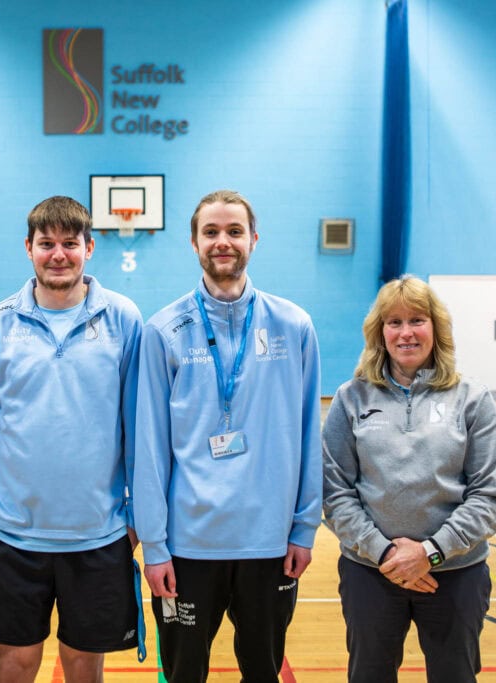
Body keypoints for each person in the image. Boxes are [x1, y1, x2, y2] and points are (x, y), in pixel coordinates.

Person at [133, 189, 323, 682]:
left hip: (270, 544)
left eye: (234, 231)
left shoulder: (294, 325)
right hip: (188, 548)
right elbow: (148, 448)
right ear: (193, 242)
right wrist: (154, 544)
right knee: (183, 673)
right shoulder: (164, 331)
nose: (223, 242)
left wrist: (304, 527)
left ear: (254, 240)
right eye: (211, 232)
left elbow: (308, 432)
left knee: (262, 672)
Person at [0, 195, 144, 683]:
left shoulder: (124, 318)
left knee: (84, 666)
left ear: (90, 247)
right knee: (15, 663)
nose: (58, 254)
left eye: (70, 243)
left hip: (100, 534)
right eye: (47, 244)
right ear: (29, 248)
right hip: (11, 534)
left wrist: (134, 520)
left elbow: (137, 428)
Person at [322, 274, 496, 683]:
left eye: (417, 320)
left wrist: (431, 552)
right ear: (379, 333)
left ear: (436, 329)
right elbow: (334, 492)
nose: (406, 332)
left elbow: (491, 496)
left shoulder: (472, 399)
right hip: (370, 572)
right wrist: (386, 553)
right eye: (394, 322)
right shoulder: (350, 398)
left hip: (456, 573)